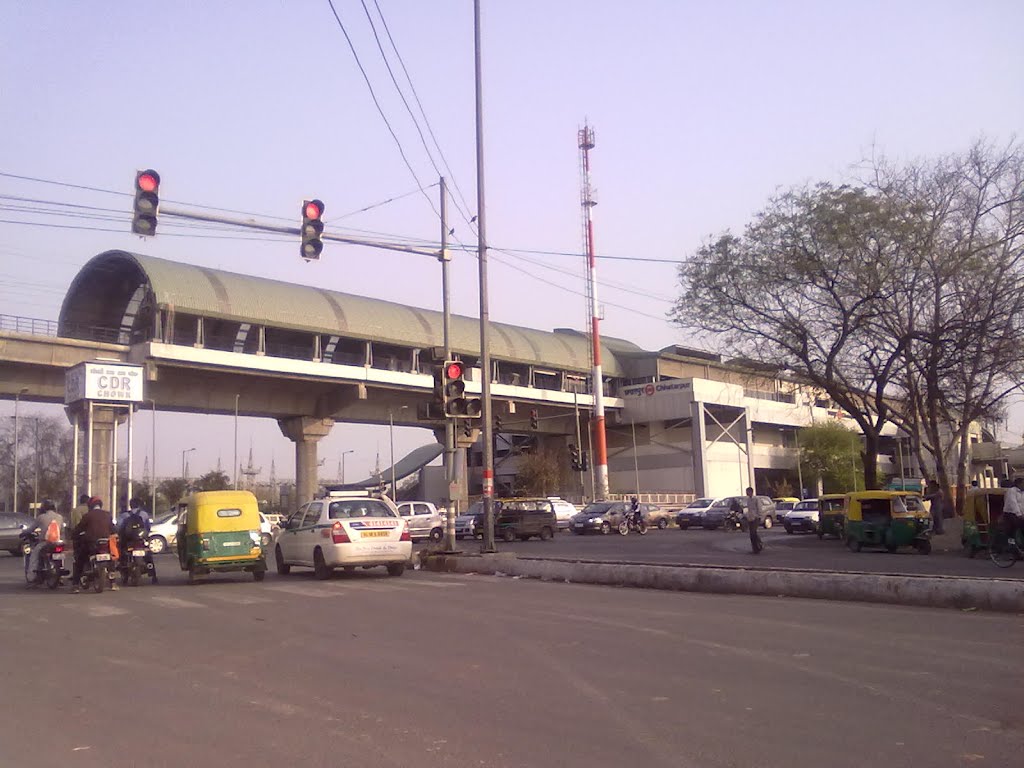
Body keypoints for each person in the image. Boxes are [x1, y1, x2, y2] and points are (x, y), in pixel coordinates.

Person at [71, 497, 117, 593]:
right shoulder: (107, 515)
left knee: (80, 560)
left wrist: (73, 535)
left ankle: (75, 585)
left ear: (90, 505)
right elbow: (113, 529)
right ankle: (113, 582)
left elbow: (79, 528)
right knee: (111, 558)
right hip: (105, 542)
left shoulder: (87, 516)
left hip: (91, 542)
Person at [117, 497, 158, 584]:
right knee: (148, 556)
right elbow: (148, 527)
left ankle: (124, 572)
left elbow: (119, 528)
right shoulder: (144, 514)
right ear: (139, 505)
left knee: (122, 553)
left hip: (128, 540)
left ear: (130, 505)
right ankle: (153, 576)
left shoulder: (124, 515)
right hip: (140, 539)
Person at [26, 500, 64, 586]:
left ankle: (31, 576)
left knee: (34, 556)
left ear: (44, 508)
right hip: (57, 542)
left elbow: (31, 529)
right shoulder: (60, 517)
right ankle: (61, 577)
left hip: (45, 542)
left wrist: (25, 532)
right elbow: (62, 531)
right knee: (61, 556)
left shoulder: (41, 517)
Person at [1001, 477, 1024, 544]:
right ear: (1019, 484)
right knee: (1012, 530)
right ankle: (1011, 545)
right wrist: (1019, 514)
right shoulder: (1011, 491)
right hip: (1010, 514)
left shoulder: (1023, 492)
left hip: (1020, 514)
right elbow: (1013, 503)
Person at [744, 487, 763, 554]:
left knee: (753, 533)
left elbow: (759, 508)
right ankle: (754, 548)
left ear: (751, 492)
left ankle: (758, 546)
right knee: (751, 534)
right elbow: (749, 509)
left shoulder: (756, 499)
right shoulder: (748, 500)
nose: (746, 493)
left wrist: (759, 516)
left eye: (747, 492)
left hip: (755, 518)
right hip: (750, 518)